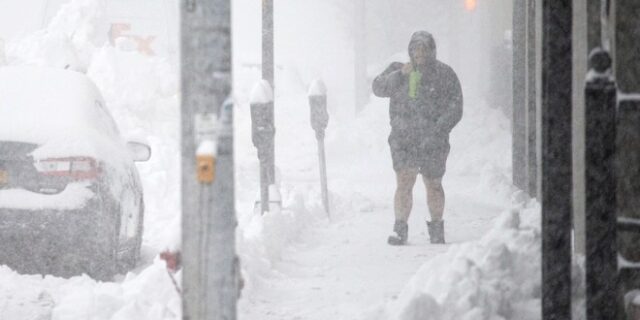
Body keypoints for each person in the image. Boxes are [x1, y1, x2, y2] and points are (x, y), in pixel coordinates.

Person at [372, 31, 463, 245]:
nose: (419, 53)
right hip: (404, 139)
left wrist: (439, 129)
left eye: (424, 49)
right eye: (415, 49)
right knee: (404, 182)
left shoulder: (444, 74)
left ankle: (437, 228)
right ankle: (400, 229)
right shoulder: (398, 70)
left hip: (433, 141)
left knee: (434, 184)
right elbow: (377, 87)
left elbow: (456, 107)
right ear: (410, 51)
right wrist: (400, 75)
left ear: (432, 51)